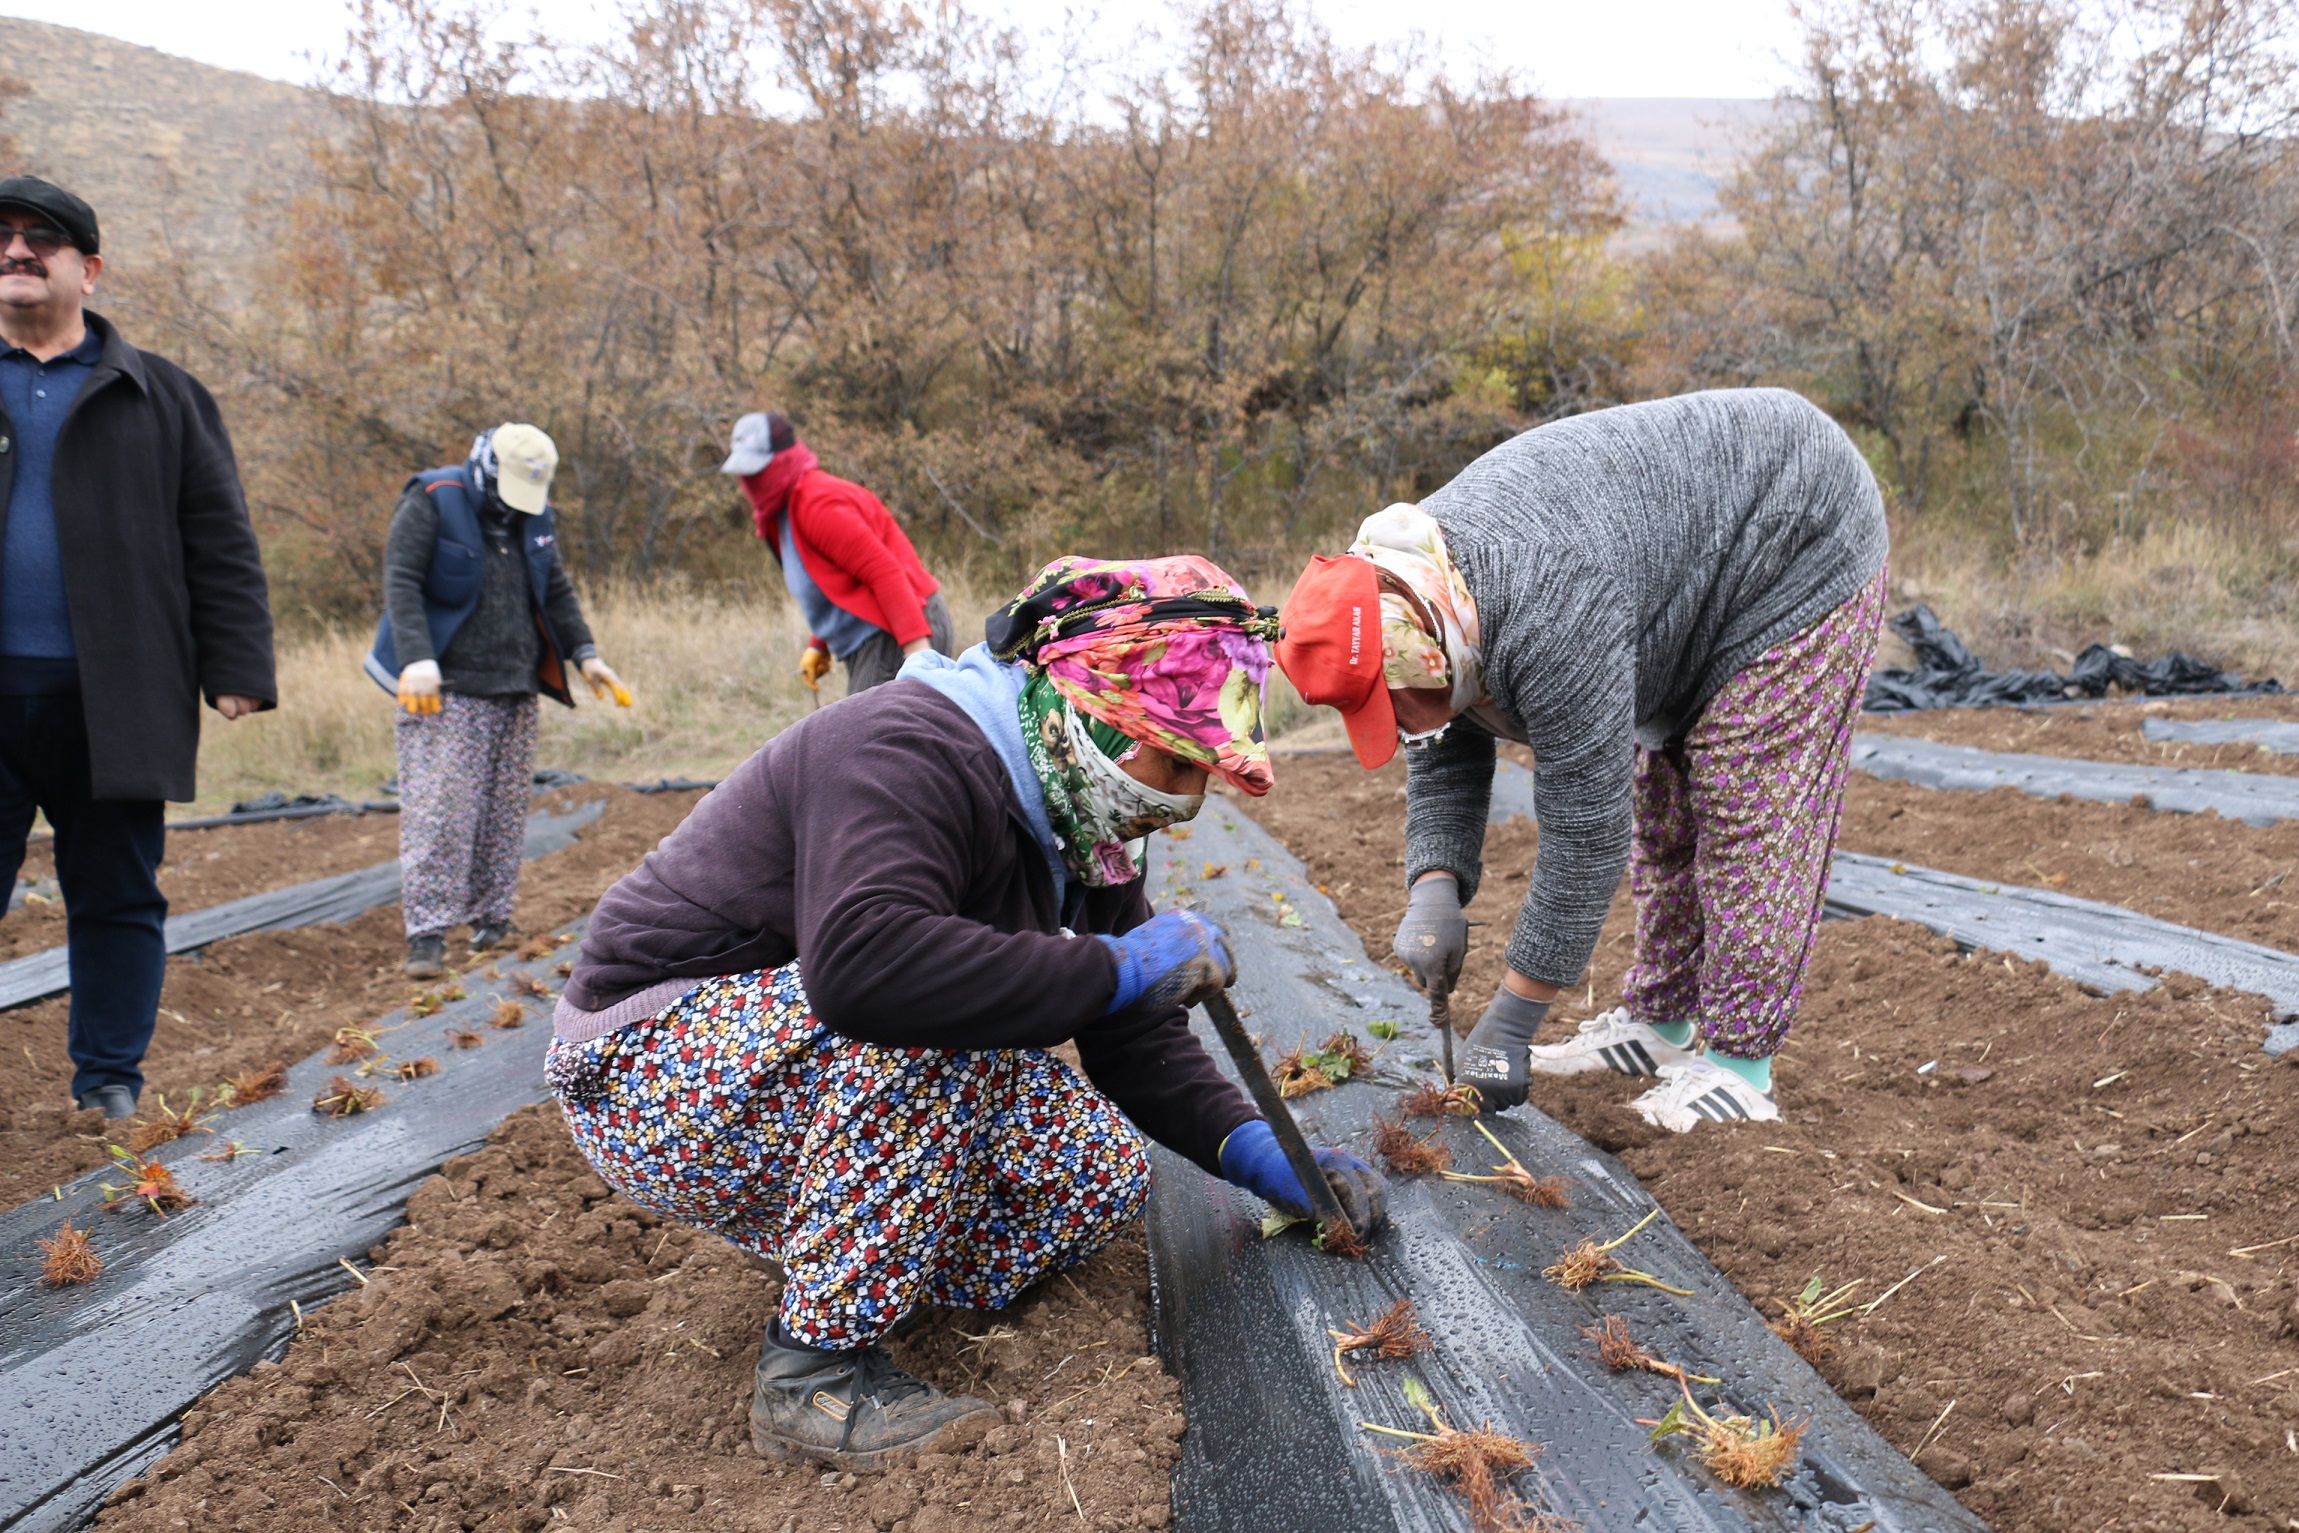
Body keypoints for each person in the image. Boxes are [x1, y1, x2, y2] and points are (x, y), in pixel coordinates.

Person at [547, 555, 1384, 1469]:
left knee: (1096, 1175)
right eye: (1174, 757)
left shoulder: (1079, 821)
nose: (1186, 798)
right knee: (939, 1019)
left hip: (787, 1060)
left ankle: (869, 1248)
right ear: (1089, 709)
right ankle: (811, 1374)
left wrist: (1262, 1153)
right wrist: (1111, 963)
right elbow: (866, 971)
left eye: (1204, 770)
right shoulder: (906, 747)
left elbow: (1134, 1034)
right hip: (653, 1066)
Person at [1278, 388, 1887, 1133]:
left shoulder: (1540, 602)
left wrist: (1510, 1020)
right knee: (1665, 809)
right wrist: (1431, 888)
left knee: (1742, 804)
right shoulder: (1417, 593)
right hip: (1679, 569)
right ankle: (1660, 1019)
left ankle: (1738, 1063)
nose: (1399, 722)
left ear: (1427, 645)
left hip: (1795, 536)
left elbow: (1586, 833)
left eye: (1394, 699)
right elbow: (1444, 747)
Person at [0, 176, 275, 1120]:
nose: (18, 251)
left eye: (44, 238)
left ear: (90, 267)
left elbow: (219, 534)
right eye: (2, 238)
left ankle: (108, 1079)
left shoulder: (161, 394)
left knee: (116, 894)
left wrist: (235, 664)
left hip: (112, 700)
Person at [365, 423, 630, 978]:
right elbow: (401, 580)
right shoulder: (434, 499)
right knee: (442, 813)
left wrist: (585, 653)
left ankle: (491, 921)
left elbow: (554, 587)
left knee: (503, 813)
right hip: (446, 688)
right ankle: (429, 936)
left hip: (515, 683)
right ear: (487, 469)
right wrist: (417, 659)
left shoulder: (533, 514)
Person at [721, 411, 955, 696]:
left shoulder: (816, 503)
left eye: (757, 472)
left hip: (901, 634)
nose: (751, 482)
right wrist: (819, 643)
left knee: (869, 739)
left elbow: (884, 572)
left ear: (782, 460)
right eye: (745, 473)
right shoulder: (782, 513)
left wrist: (919, 658)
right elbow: (833, 584)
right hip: (874, 641)